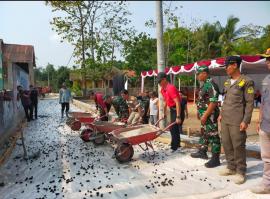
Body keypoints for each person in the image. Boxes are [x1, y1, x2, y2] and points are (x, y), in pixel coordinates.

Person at [219, 56, 255, 184]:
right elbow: (226, 100)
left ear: (234, 65)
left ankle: (241, 171)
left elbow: (250, 103)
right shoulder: (227, 82)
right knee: (227, 144)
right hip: (225, 119)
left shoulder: (247, 81)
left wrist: (246, 120)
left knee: (238, 145)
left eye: (227, 66)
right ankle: (231, 167)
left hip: (237, 120)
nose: (225, 69)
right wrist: (221, 114)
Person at [190, 65, 221, 168]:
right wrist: (200, 113)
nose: (198, 76)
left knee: (213, 135)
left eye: (199, 74)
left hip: (210, 116)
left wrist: (205, 115)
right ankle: (202, 151)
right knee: (204, 133)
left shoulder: (211, 85)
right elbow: (203, 101)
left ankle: (215, 159)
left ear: (204, 73)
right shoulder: (205, 84)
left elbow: (213, 103)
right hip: (205, 115)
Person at [250, 48, 270, 194]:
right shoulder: (266, 79)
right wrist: (259, 120)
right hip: (266, 124)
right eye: (267, 59)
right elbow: (263, 102)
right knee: (267, 157)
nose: (267, 62)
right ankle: (267, 184)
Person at [157, 72, 182, 153]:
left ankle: (174, 146)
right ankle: (176, 144)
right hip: (172, 108)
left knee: (173, 128)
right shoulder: (162, 90)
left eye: (160, 81)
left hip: (178, 108)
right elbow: (166, 101)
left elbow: (177, 102)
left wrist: (178, 116)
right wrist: (164, 112)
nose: (159, 83)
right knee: (174, 128)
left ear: (164, 79)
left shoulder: (170, 88)